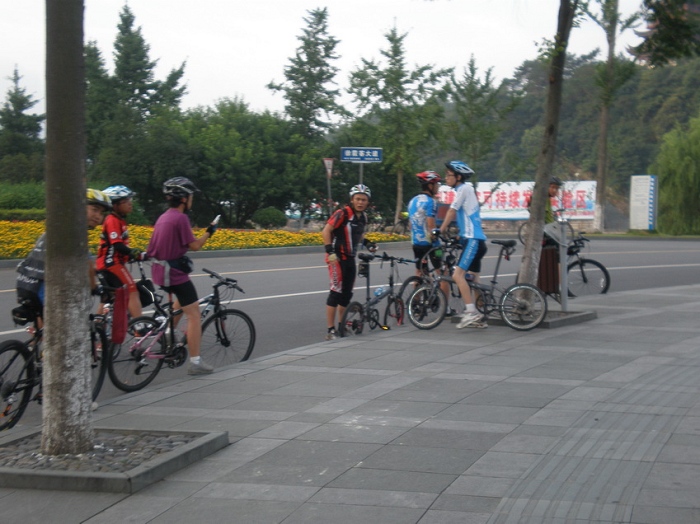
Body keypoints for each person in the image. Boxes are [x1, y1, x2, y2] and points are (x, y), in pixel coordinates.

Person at [146, 177, 218, 375]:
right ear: (184, 198)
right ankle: (195, 362)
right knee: (194, 314)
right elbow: (195, 246)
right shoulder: (180, 218)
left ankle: (169, 332)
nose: (192, 199)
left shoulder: (163, 217)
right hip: (173, 273)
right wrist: (210, 231)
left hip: (159, 271)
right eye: (191, 196)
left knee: (182, 300)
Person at [16, 188, 112, 316]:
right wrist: (93, 287)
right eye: (94, 209)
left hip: (27, 283)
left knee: (45, 322)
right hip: (44, 286)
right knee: (71, 320)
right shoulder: (75, 232)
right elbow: (87, 265)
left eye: (101, 213)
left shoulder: (61, 226)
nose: (98, 216)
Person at [322, 184, 376, 340]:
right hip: (337, 258)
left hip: (350, 258)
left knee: (346, 294)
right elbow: (326, 230)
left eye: (363, 200)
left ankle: (342, 326)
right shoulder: (342, 213)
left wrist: (368, 243)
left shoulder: (363, 217)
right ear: (352, 200)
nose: (360, 202)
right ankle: (330, 330)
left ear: (367, 202)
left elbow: (358, 235)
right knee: (335, 293)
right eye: (357, 199)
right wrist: (329, 251)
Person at [439, 160, 488, 329]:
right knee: (474, 280)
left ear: (458, 177)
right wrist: (459, 236)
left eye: (448, 175)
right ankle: (480, 315)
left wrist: (440, 230)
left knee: (457, 276)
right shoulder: (466, 190)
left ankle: (471, 312)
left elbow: (452, 211)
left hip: (473, 240)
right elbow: (466, 218)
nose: (446, 178)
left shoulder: (464, 189)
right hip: (475, 240)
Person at [407, 171, 453, 314]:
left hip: (416, 244)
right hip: (431, 245)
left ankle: (415, 305)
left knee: (420, 273)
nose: (438, 186)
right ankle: (445, 309)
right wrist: (441, 237)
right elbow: (431, 226)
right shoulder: (431, 202)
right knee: (443, 272)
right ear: (430, 185)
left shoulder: (412, 201)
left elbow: (410, 225)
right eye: (437, 184)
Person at [96, 185, 143, 319]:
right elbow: (117, 245)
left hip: (108, 263)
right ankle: (139, 324)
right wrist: (134, 253)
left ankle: (98, 326)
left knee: (108, 298)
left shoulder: (119, 220)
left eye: (130, 200)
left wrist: (131, 255)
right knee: (131, 290)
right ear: (115, 205)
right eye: (125, 201)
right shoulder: (112, 220)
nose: (130, 204)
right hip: (111, 263)